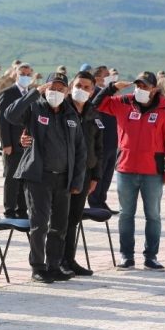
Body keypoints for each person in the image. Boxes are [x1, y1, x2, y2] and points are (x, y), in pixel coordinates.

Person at [92, 71, 165, 272]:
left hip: (152, 171)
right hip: (126, 169)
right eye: (138, 85)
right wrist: (112, 88)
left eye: (145, 86)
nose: (140, 89)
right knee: (126, 215)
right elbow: (95, 105)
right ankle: (127, 256)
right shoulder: (123, 102)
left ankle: (151, 257)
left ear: (154, 89)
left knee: (153, 215)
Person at [4, 72, 86, 283]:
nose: (56, 92)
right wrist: (34, 93)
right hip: (38, 177)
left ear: (67, 91)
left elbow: (80, 150)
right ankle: (38, 267)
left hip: (63, 179)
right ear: (45, 88)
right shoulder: (35, 108)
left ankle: (54, 265)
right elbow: (10, 115)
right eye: (52, 87)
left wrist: (77, 181)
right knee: (39, 224)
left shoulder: (71, 115)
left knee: (60, 225)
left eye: (60, 89)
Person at [62, 71, 102, 276]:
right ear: (71, 86)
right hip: (62, 172)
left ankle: (69, 260)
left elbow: (99, 146)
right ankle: (57, 260)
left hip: (85, 173)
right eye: (79, 85)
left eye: (87, 87)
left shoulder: (93, 113)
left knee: (74, 217)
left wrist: (96, 176)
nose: (82, 90)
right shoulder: (60, 108)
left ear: (93, 90)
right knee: (60, 217)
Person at [0, 63, 33, 219]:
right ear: (15, 75)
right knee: (12, 178)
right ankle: (10, 210)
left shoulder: (32, 93)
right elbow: (2, 120)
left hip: (27, 144)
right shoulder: (8, 93)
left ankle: (22, 209)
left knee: (24, 177)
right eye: (22, 73)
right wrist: (6, 144)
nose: (25, 76)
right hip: (13, 143)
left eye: (28, 74)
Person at [88, 65, 119, 213]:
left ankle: (102, 200)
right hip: (102, 140)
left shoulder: (109, 94)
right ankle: (95, 202)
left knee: (108, 174)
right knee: (99, 173)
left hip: (112, 140)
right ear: (98, 78)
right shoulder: (95, 93)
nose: (109, 77)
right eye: (106, 75)